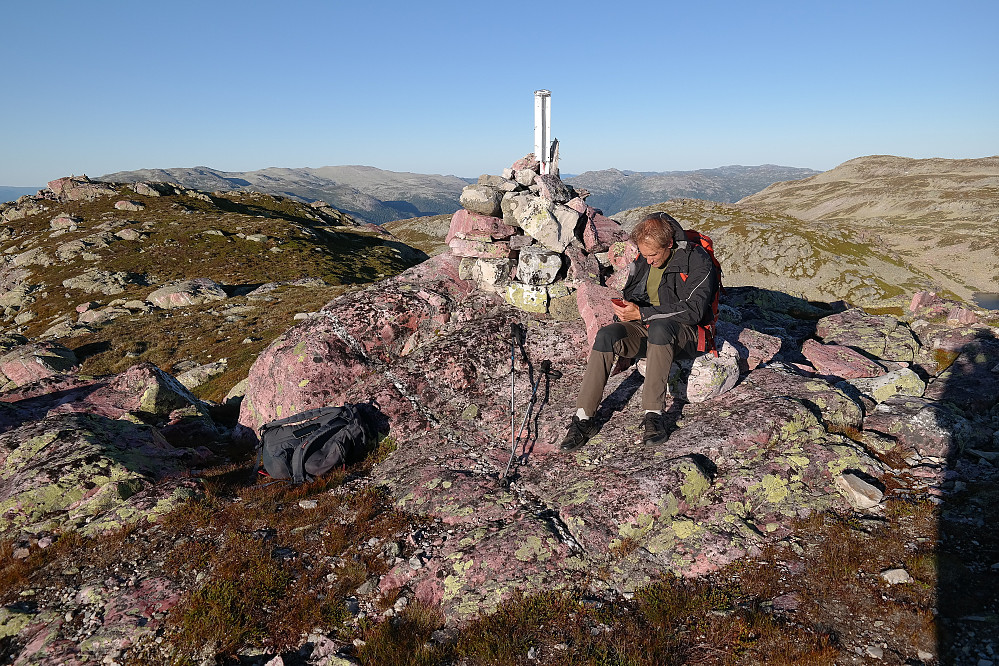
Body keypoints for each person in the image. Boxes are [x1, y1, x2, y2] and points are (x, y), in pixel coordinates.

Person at [561, 211, 719, 450]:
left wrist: (644, 314)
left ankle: (654, 416)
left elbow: (694, 311)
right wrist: (627, 311)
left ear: (669, 243)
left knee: (661, 328)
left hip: (688, 334)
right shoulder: (645, 259)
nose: (650, 261)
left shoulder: (697, 260)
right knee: (607, 336)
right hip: (650, 327)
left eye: (653, 255)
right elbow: (635, 293)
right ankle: (583, 419)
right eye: (645, 255)